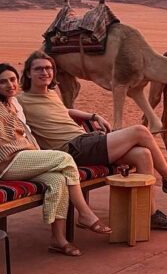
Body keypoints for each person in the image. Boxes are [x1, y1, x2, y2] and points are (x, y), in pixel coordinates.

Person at [18, 51, 167, 232]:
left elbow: (64, 112)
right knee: (140, 131)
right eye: (39, 69)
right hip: (72, 149)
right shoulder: (20, 101)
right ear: (28, 73)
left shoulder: (51, 94)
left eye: (49, 68)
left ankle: (149, 214)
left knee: (143, 155)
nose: (45, 73)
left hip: (87, 141)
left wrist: (93, 115)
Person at [0, 62, 111, 256]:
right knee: (65, 159)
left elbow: (61, 111)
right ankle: (85, 214)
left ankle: (58, 239)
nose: (10, 85)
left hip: (27, 158)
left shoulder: (15, 103)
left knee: (58, 180)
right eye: (2, 82)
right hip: (8, 162)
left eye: (12, 80)